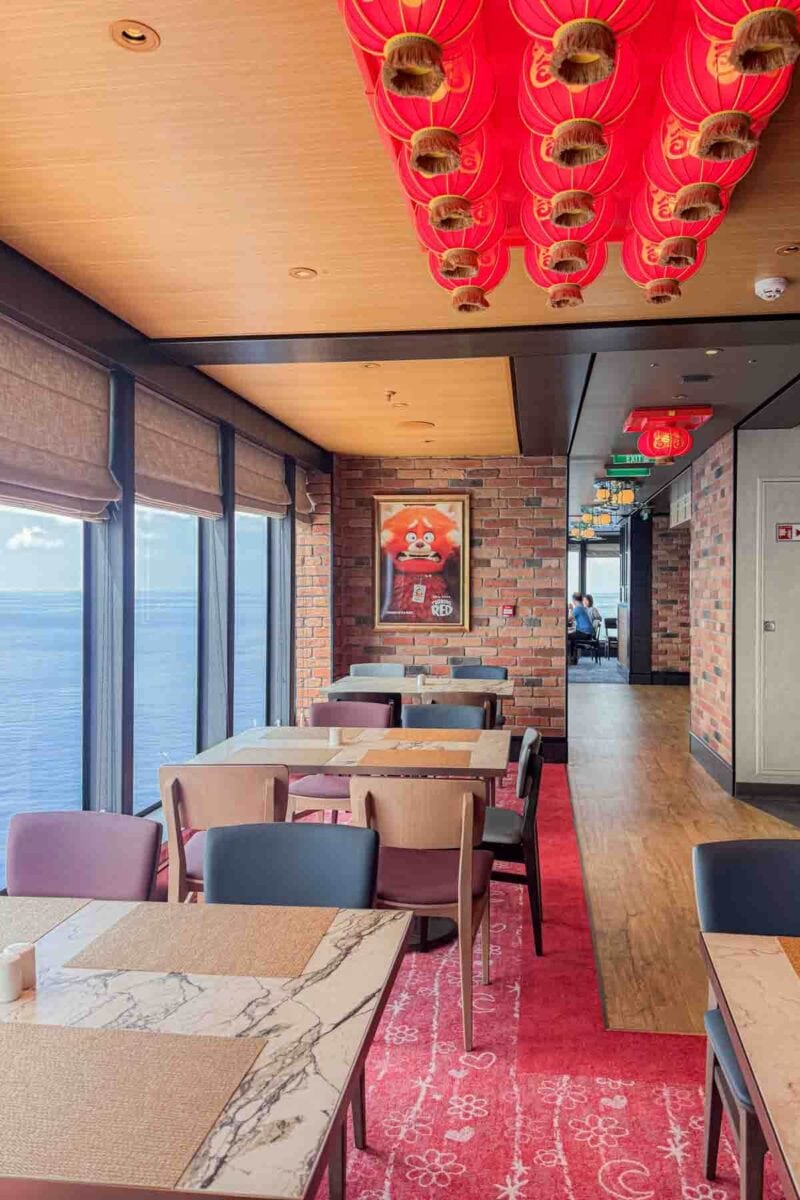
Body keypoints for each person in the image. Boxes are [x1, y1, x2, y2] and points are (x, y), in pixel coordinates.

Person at [568, 592, 594, 664]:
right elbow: (574, 619)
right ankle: (573, 658)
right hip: (588, 633)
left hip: (584, 633)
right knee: (571, 636)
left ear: (574, 600)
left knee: (567, 636)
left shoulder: (578, 608)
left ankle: (571, 659)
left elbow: (569, 619)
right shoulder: (582, 608)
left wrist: (570, 609)